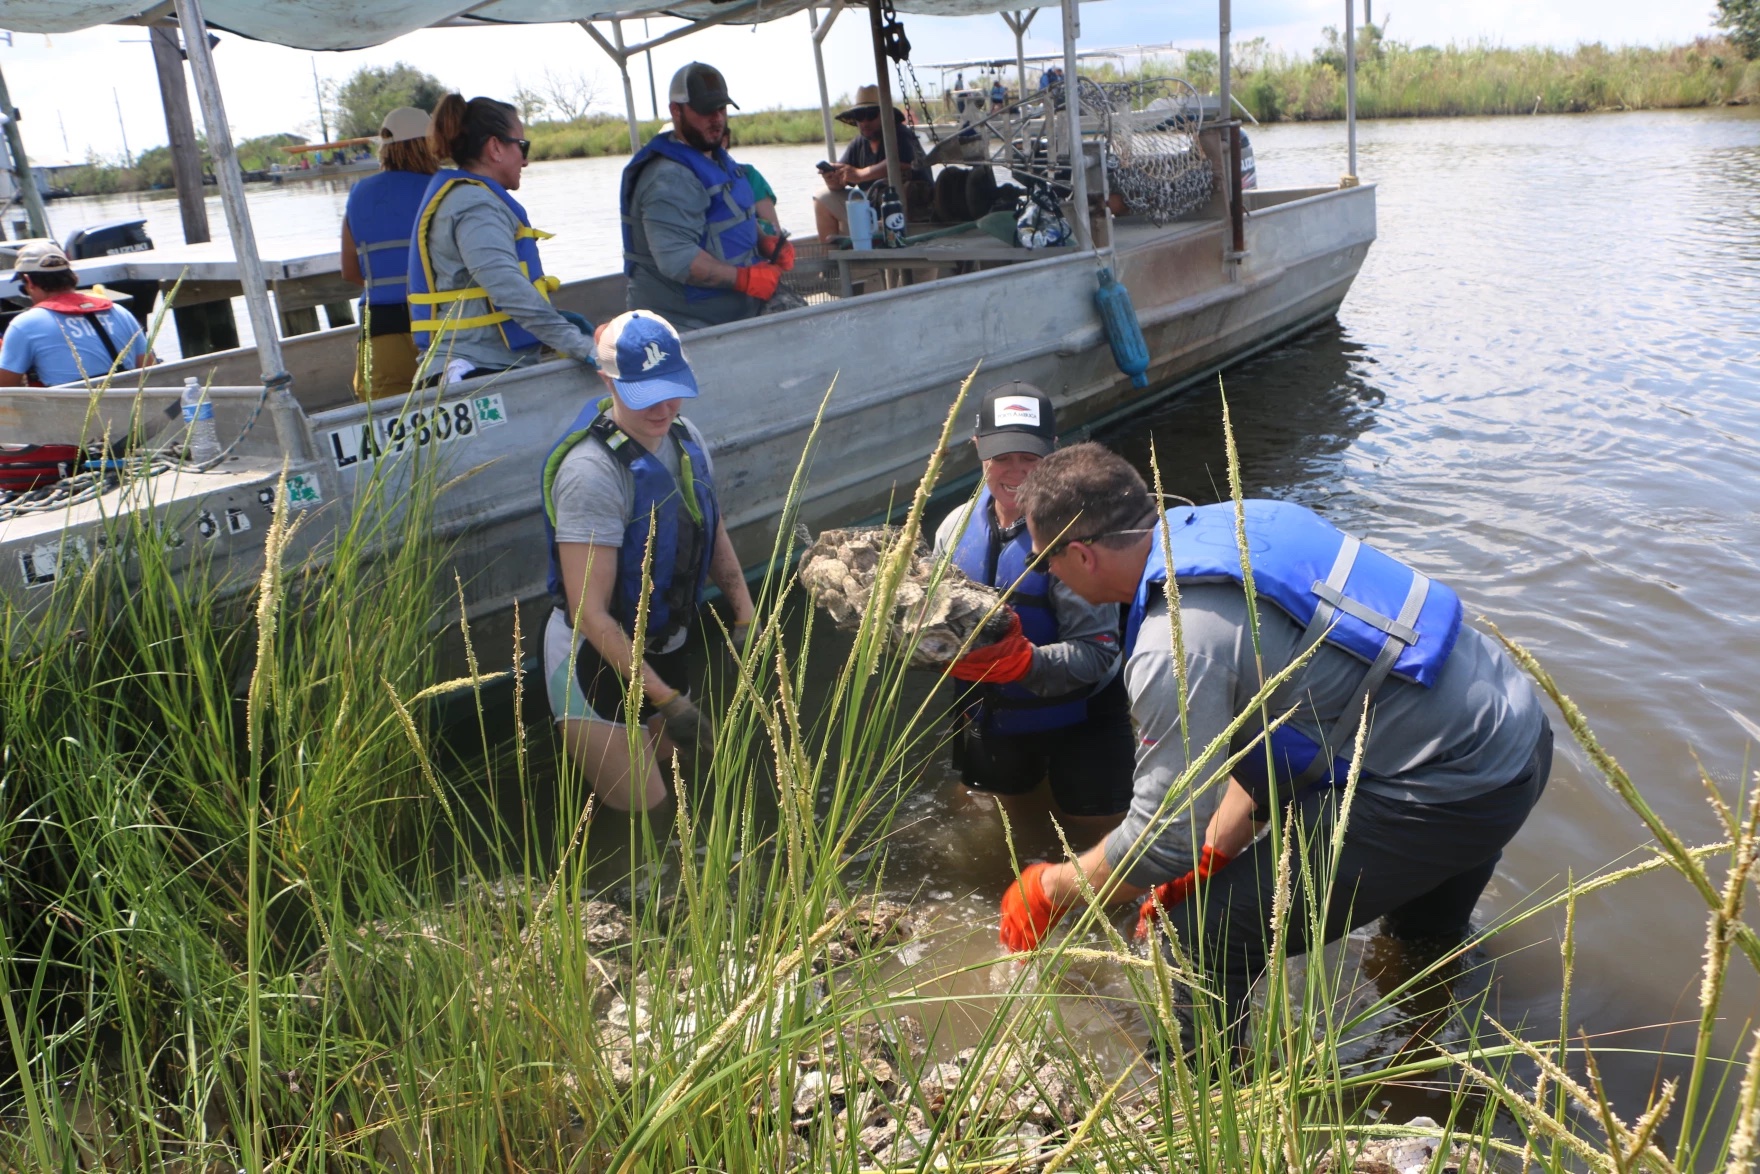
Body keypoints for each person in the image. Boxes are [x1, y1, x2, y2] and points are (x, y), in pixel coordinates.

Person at [996, 444, 1553, 1053]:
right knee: (1420, 940)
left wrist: (1051, 887)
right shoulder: (1239, 523)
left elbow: (1162, 838)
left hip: (1442, 790)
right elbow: (1296, 707)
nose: (1046, 575)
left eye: (1046, 562)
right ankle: (1428, 1057)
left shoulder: (1174, 640)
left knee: (1200, 939)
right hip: (1511, 736)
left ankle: (1204, 1102)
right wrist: (1216, 850)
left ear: (1081, 553)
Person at [541, 310, 756, 812]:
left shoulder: (685, 436)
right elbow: (589, 612)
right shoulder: (590, 475)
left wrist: (743, 609)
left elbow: (708, 523)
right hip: (592, 660)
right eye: (644, 394)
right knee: (650, 819)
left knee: (681, 792)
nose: (663, 408)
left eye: (672, 387)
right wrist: (666, 699)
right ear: (608, 380)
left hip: (663, 643)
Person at [935, 384, 1135, 849]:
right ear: (979, 452)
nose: (1017, 471)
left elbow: (1100, 653)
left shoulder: (1078, 537)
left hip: (1082, 717)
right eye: (1004, 456)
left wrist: (1023, 663)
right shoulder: (953, 529)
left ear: (1055, 456)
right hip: (990, 711)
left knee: (1099, 836)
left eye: (1031, 457)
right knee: (1005, 826)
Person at [407, 93, 595, 385]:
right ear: (495, 147)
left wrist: (555, 321)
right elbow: (507, 289)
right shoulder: (476, 206)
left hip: (481, 363)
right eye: (522, 146)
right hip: (472, 371)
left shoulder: (468, 198)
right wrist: (581, 345)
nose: (526, 159)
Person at [621, 63, 793, 331]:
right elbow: (678, 260)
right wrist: (746, 279)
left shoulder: (718, 160)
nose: (716, 119)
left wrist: (765, 242)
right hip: (687, 324)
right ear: (676, 111)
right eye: (705, 111)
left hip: (737, 310)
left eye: (721, 109)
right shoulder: (669, 178)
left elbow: (734, 216)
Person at [340, 106, 437, 400]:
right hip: (437, 325)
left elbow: (350, 271)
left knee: (387, 426)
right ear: (430, 144)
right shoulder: (445, 188)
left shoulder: (359, 193)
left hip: (380, 329)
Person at [0, 242, 154, 388]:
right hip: (131, 408)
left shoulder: (25, 325)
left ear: (29, 281)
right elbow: (149, 368)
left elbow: (4, 388)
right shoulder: (119, 311)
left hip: (72, 413)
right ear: (73, 276)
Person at [812, 84, 932, 242]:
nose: (865, 122)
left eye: (871, 115)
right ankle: (831, 261)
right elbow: (842, 181)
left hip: (907, 211)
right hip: (871, 209)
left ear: (884, 115)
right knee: (822, 197)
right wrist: (832, 179)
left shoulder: (900, 134)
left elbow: (900, 163)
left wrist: (861, 175)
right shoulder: (858, 144)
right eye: (860, 117)